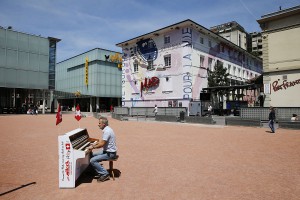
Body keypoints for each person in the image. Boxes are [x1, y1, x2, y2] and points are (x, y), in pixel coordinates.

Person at [87, 116, 117, 182]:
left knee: (92, 160)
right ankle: (95, 170)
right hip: (107, 151)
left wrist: (92, 147)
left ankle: (105, 174)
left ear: (104, 124)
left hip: (110, 153)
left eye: (99, 123)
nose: (98, 124)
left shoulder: (107, 131)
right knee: (91, 155)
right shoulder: (107, 129)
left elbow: (102, 144)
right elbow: (102, 141)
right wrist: (94, 144)